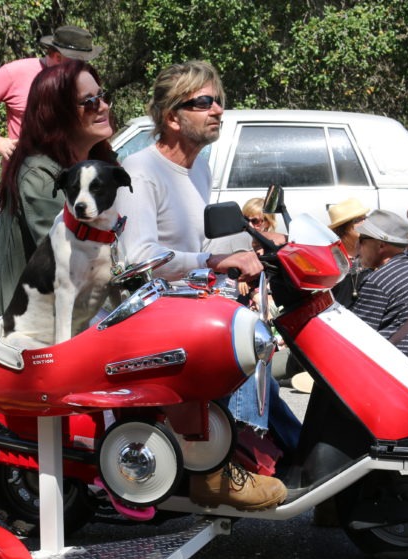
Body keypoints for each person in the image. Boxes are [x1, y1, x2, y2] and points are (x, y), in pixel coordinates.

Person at [114, 61, 286, 511]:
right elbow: (139, 261)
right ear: (173, 117)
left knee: (259, 336)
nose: (218, 111)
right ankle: (214, 470)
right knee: (234, 342)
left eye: (219, 101)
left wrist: (252, 252)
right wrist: (213, 261)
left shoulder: (200, 167)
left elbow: (198, 239)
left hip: (185, 300)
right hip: (146, 309)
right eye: (204, 102)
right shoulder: (140, 170)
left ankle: (270, 450)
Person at [0, 59, 117, 320]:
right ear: (57, 114)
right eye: (90, 102)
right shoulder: (39, 175)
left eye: (102, 96)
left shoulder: (99, 164)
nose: (104, 106)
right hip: (17, 332)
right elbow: (72, 261)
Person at [0, 25, 103, 163]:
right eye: (78, 60)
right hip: (26, 175)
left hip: (70, 172)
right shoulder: (17, 72)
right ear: (58, 57)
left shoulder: (83, 78)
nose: (82, 66)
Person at [350, 210, 408, 375]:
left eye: (362, 240)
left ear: (381, 245)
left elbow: (354, 339)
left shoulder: (378, 281)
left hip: (389, 376)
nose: (357, 247)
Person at [327, 197, 372, 308]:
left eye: (365, 218)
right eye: (358, 220)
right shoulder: (331, 256)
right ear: (342, 228)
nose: (364, 223)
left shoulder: (372, 249)